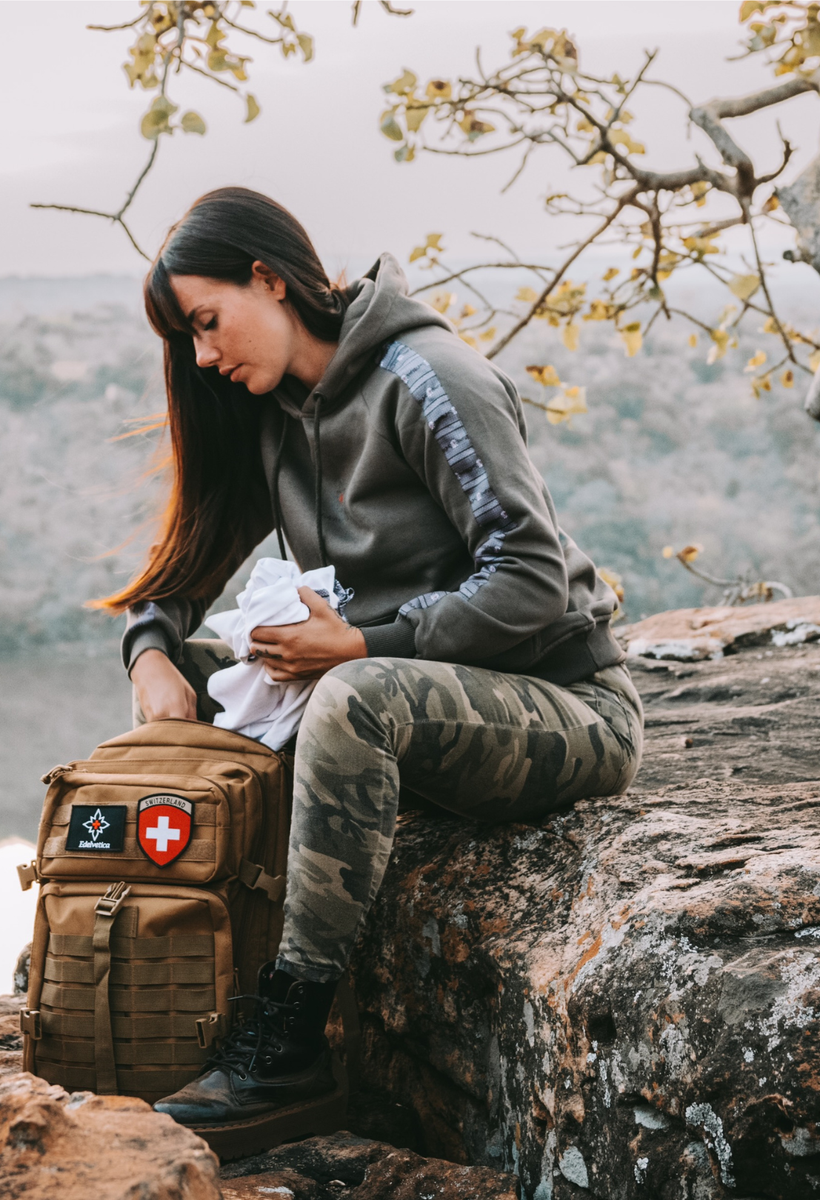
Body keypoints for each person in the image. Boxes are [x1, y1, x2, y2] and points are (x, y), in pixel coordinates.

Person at [96, 187, 643, 1131]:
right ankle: (157, 959)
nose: (205, 355)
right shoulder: (273, 407)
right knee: (201, 658)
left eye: (208, 322)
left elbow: (533, 579)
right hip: (418, 692)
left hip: (566, 706)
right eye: (189, 338)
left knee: (353, 697)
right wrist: (150, 652)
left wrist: (364, 642)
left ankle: (293, 1046)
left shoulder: (428, 376)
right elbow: (185, 568)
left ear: (269, 279)